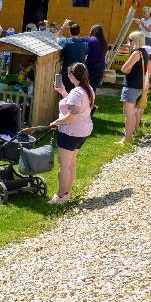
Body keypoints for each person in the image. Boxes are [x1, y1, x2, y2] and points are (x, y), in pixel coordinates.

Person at [48, 63, 94, 204]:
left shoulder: (76, 92)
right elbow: (76, 106)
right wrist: (62, 91)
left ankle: (60, 196)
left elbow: (72, 116)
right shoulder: (88, 89)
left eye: (68, 74)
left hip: (71, 132)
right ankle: (67, 193)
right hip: (83, 131)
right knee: (71, 163)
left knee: (64, 166)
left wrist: (56, 122)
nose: (68, 76)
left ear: (72, 75)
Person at [117, 31, 149, 145]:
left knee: (128, 115)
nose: (128, 42)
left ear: (135, 41)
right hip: (139, 87)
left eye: (130, 40)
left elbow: (124, 68)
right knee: (134, 113)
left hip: (131, 87)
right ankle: (133, 133)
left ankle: (126, 139)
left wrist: (127, 69)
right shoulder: (144, 52)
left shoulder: (136, 53)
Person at [58, 21, 88, 92]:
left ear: (69, 32)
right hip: (80, 76)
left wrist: (63, 27)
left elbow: (57, 37)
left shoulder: (65, 42)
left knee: (65, 95)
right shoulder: (85, 45)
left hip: (67, 74)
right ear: (79, 32)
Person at [82, 24, 109, 91]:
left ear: (93, 31)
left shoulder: (91, 39)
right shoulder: (104, 42)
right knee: (93, 87)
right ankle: (92, 100)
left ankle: (87, 101)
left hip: (91, 66)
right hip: (101, 66)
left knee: (86, 87)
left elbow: (77, 39)